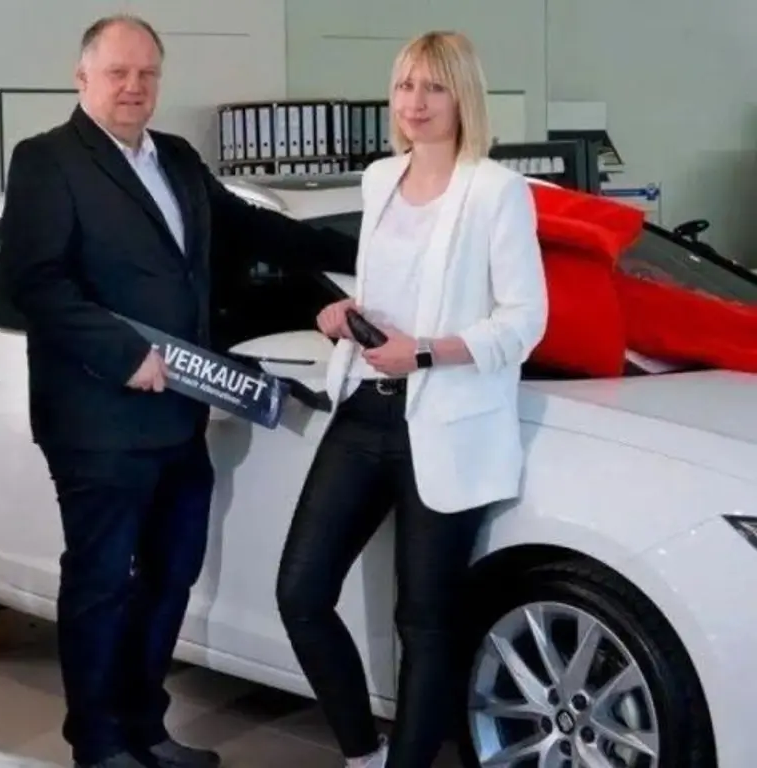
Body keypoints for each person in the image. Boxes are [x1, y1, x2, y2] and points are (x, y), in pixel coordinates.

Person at [0, 14, 356, 768]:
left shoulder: (179, 159)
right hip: (98, 419)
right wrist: (124, 353)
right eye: (118, 73)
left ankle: (145, 728)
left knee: (170, 579)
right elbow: (36, 282)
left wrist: (374, 245)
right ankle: (98, 745)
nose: (134, 87)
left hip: (179, 416)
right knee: (101, 584)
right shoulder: (45, 160)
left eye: (147, 74)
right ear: (82, 77)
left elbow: (256, 230)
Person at [275, 31, 548, 768]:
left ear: (463, 97)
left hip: (448, 419)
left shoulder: (496, 191)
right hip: (364, 408)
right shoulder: (379, 179)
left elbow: (524, 321)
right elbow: (393, 290)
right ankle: (362, 754)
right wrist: (346, 314)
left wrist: (423, 350)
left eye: (433, 87)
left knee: (424, 623)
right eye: (404, 86)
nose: (415, 102)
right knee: (301, 592)